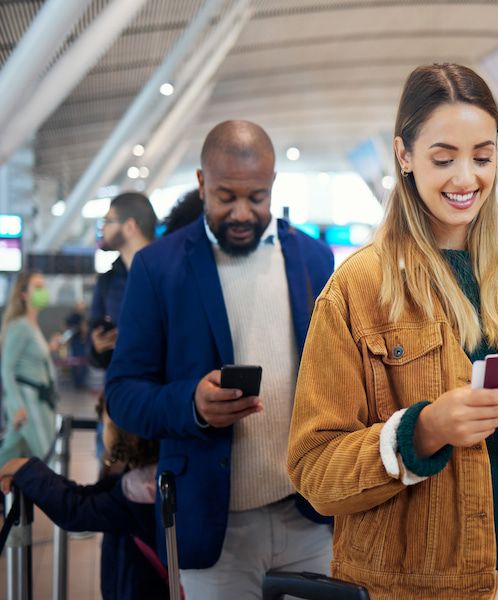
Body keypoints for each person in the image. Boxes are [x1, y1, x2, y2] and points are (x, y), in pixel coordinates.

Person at [287, 64, 498, 600]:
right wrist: (422, 432)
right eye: (443, 158)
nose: (466, 178)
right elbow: (314, 472)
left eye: (483, 157)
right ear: (404, 156)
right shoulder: (355, 291)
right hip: (412, 588)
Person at [106, 120, 335, 598]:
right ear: (201, 183)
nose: (242, 213)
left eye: (257, 197)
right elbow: (123, 393)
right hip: (213, 526)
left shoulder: (314, 259)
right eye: (225, 196)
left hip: (308, 515)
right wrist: (191, 404)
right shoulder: (158, 267)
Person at [0, 396, 167, 599]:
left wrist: (28, 470)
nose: (102, 431)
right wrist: (28, 473)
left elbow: (75, 510)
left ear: (124, 433)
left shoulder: (138, 491)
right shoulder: (145, 476)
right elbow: (85, 494)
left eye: (105, 424)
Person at [0, 272, 56, 496]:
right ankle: (67, 516)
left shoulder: (32, 325)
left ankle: (16, 530)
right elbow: (7, 368)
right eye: (38, 286)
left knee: (8, 460)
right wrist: (17, 407)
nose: (43, 290)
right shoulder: (20, 326)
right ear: (24, 294)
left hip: (38, 404)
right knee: (49, 457)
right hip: (29, 406)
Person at [90, 192, 157, 369]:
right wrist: (98, 347)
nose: (102, 228)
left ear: (130, 226)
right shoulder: (107, 280)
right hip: (122, 383)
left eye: (108, 221)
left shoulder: (168, 272)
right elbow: (94, 346)